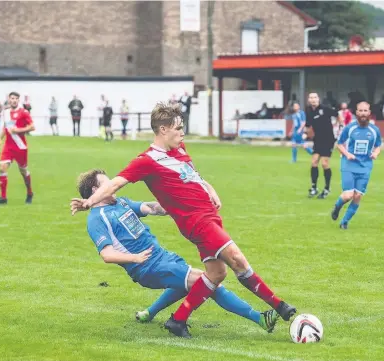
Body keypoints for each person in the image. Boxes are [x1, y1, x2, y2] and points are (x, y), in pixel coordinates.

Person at [70, 102, 296, 338]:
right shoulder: (145, 161)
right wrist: (89, 203)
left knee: (216, 274)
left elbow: (192, 176)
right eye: (178, 128)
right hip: (196, 224)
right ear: (163, 129)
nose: (182, 132)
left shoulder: (178, 150)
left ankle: (177, 320)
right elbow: (117, 182)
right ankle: (278, 306)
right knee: (237, 260)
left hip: (206, 219)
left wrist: (210, 188)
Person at [76, 169, 280, 334]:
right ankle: (260, 318)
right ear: (95, 189)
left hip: (162, 256)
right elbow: (107, 254)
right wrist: (134, 258)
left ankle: (149, 313)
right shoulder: (96, 219)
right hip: (147, 267)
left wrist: (177, 204)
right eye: (107, 182)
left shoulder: (121, 202)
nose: (113, 185)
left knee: (188, 284)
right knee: (209, 282)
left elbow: (150, 208)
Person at [331, 102, 382, 229]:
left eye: (365, 111)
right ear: (356, 112)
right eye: (360, 111)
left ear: (369, 113)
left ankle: (344, 222)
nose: (363, 113)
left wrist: (375, 153)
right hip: (349, 164)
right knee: (348, 195)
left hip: (365, 166)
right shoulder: (350, 128)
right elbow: (339, 144)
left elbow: (378, 146)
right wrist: (347, 154)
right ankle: (337, 207)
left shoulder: (374, 130)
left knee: (357, 196)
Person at [0, 92, 35, 205]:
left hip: (20, 147)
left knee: (23, 171)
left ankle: (29, 192)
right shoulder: (5, 112)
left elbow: (32, 127)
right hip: (8, 146)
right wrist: (0, 139)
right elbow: (5, 127)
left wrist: (18, 130)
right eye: (12, 98)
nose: (14, 100)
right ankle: (3, 197)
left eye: (16, 98)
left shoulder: (23, 112)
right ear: (9, 100)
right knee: (2, 168)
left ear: (18, 100)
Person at [305, 93, 337, 199]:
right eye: (311, 98)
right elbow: (308, 126)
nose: (313, 99)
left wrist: (340, 127)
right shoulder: (309, 111)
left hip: (328, 139)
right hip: (317, 139)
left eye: (315, 97)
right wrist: (306, 136)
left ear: (318, 99)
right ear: (308, 100)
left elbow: (338, 115)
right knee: (314, 162)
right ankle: (314, 188)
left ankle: (327, 188)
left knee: (324, 163)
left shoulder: (325, 109)